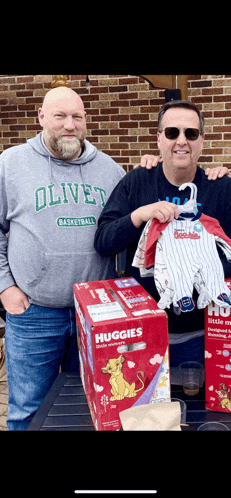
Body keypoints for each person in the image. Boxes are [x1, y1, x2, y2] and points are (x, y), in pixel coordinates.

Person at [0, 86, 157, 430]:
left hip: (97, 317)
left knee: (90, 410)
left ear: (86, 120)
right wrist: (5, 286)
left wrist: (151, 171)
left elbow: (133, 224)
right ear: (41, 117)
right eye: (60, 116)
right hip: (34, 314)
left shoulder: (110, 170)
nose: (69, 125)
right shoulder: (10, 165)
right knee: (28, 412)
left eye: (77, 117)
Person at [94, 100, 231, 369]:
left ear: (202, 141)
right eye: (172, 133)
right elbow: (103, 242)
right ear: (159, 139)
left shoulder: (221, 187)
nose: (181, 141)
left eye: (191, 134)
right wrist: (139, 216)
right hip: (140, 335)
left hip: (203, 337)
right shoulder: (136, 182)